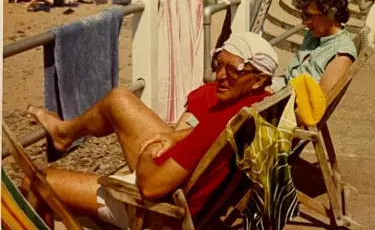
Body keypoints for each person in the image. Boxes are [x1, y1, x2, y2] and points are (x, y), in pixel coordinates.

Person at [26, 32, 278, 230]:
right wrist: (177, 136)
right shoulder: (261, 102)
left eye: (233, 71)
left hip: (159, 213)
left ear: (258, 79)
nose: (220, 76)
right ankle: (64, 133)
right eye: (218, 64)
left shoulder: (217, 125)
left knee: (34, 184)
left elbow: (149, 188)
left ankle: (64, 138)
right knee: (119, 98)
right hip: (191, 189)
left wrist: (149, 151)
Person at [270, 0, 357, 95]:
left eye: (308, 15)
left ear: (330, 14)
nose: (304, 22)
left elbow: (320, 103)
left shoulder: (341, 55)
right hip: (280, 89)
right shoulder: (315, 35)